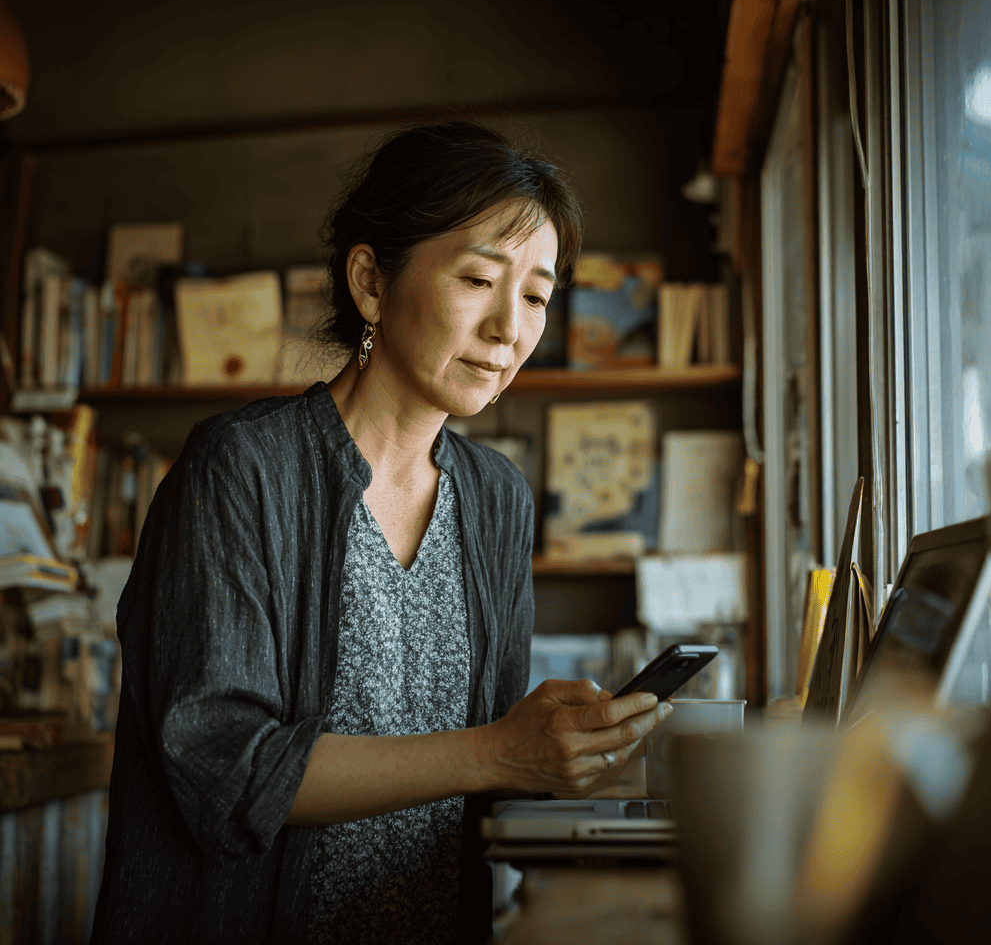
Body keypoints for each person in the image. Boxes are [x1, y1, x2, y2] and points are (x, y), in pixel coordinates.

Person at [90, 120, 670, 945]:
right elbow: (226, 769)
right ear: (370, 282)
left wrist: (586, 757)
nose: (511, 328)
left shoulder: (496, 498)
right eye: (478, 279)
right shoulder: (243, 469)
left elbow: (494, 768)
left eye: (537, 295)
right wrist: (503, 752)